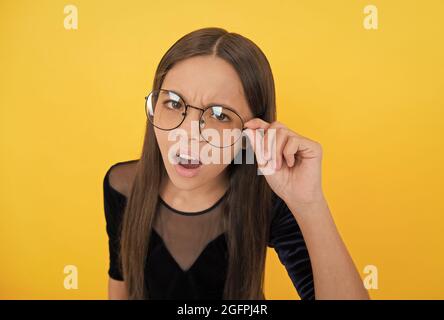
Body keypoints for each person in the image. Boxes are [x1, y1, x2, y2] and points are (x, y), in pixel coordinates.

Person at [103, 27, 369, 300]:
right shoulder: (122, 185)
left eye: (219, 115)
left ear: (250, 133)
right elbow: (121, 281)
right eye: (173, 103)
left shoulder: (269, 200)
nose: (189, 136)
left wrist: (309, 202)